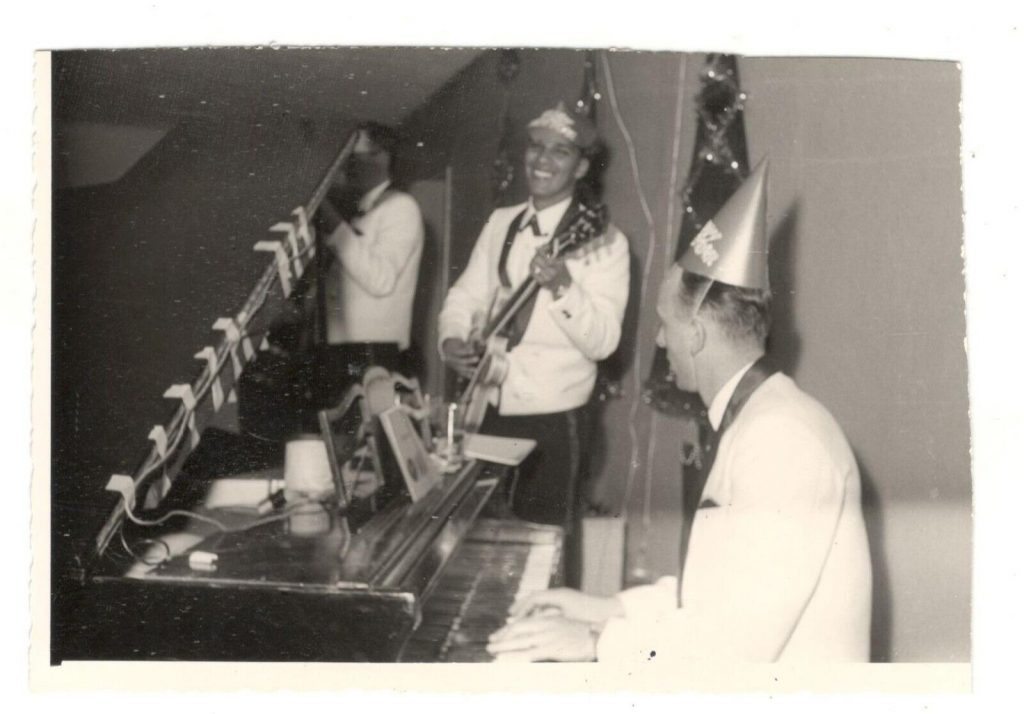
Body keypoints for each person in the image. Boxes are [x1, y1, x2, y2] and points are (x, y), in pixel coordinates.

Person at [486, 160, 873, 663]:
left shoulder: (782, 441)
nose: (661, 340)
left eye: (666, 323)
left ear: (697, 333)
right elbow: (714, 592)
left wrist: (596, 643)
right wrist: (601, 608)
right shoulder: (760, 420)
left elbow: (737, 646)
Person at [438, 103, 630, 584]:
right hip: (488, 408)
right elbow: (466, 293)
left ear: (581, 166)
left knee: (544, 553)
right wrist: (451, 338)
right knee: (481, 548)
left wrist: (565, 286)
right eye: (537, 147)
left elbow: (604, 342)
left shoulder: (605, 242)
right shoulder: (502, 222)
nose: (542, 160)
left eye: (561, 151)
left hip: (553, 421)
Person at [322, 122, 424, 355]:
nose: (346, 165)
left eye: (352, 155)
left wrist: (332, 222)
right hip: (345, 353)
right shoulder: (362, 211)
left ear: (381, 157)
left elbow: (381, 279)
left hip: (376, 356)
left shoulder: (401, 207)